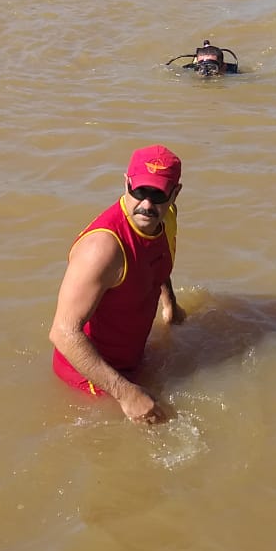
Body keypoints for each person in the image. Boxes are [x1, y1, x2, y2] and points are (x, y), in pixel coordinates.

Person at [49, 145, 186, 423]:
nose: (147, 204)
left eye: (158, 193)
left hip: (133, 361)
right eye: (140, 191)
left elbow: (156, 259)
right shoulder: (103, 249)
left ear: (175, 194)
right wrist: (125, 394)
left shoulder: (165, 219)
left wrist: (171, 305)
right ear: (126, 183)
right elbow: (62, 333)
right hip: (92, 380)